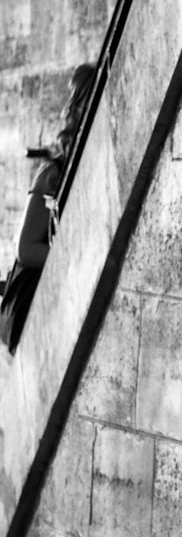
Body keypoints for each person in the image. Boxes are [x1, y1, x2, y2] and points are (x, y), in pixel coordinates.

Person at [1, 63, 98, 354]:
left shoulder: (85, 165)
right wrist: (79, 257)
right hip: (38, 314)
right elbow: (26, 250)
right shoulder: (52, 174)